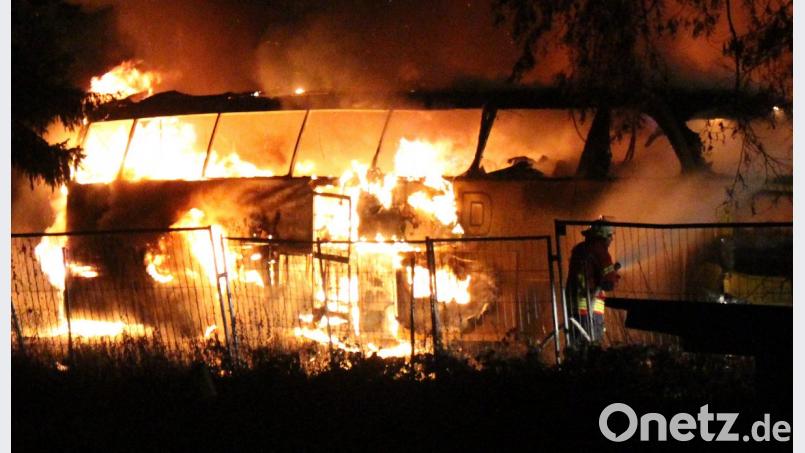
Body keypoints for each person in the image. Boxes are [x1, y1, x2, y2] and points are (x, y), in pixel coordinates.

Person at [566, 220, 620, 345]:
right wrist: (614, 277)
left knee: (576, 345)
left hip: (572, 304)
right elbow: (608, 283)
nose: (612, 239)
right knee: (593, 347)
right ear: (603, 236)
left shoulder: (579, 249)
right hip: (591, 306)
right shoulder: (601, 251)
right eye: (610, 235)